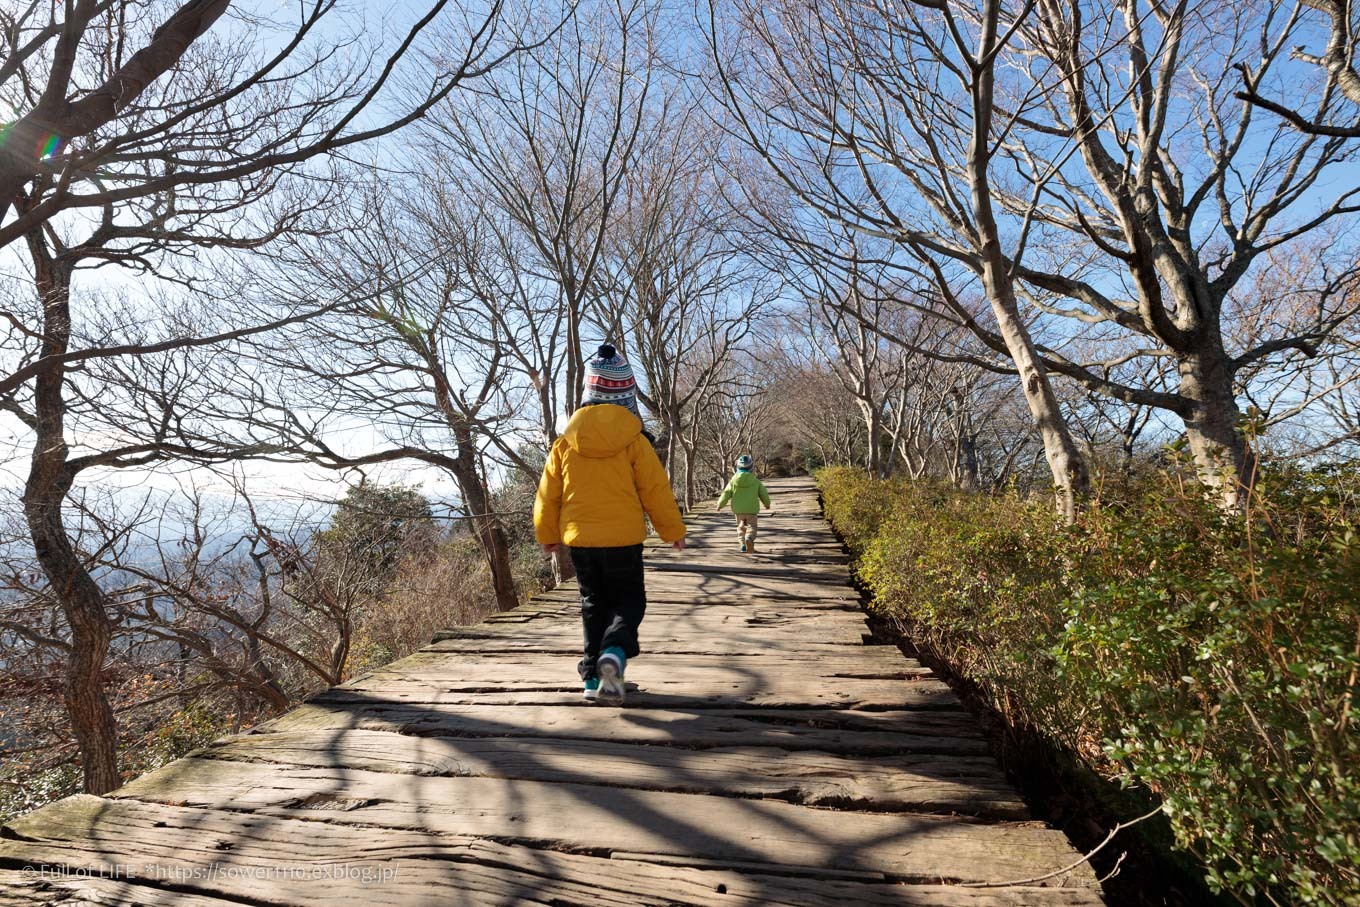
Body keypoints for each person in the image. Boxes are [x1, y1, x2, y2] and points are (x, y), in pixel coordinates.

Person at [533, 343, 686, 705]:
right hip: (623, 540)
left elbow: (546, 496)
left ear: (589, 392)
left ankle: (592, 681)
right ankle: (614, 655)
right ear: (626, 395)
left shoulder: (564, 443)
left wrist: (548, 535)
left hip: (581, 542)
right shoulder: (634, 442)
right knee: (629, 601)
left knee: (593, 604)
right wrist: (672, 531)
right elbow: (655, 491)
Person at [716, 454, 771, 553]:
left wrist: (720, 504)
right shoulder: (756, 481)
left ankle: (742, 545)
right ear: (751, 468)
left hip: (739, 511)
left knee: (741, 527)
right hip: (751, 510)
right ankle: (749, 538)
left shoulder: (733, 481)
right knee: (752, 527)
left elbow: (726, 493)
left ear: (737, 467)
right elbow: (763, 493)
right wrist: (767, 504)